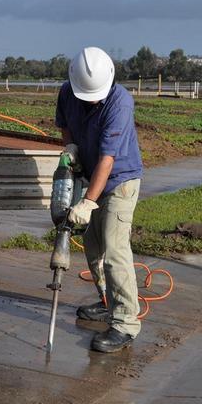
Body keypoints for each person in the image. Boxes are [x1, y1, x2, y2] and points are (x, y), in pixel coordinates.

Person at [55, 46, 144, 353]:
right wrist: (71, 148)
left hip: (120, 180)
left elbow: (108, 160)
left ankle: (125, 323)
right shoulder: (68, 92)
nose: (91, 100)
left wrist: (88, 202)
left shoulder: (119, 102)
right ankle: (109, 302)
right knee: (94, 248)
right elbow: (66, 125)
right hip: (91, 174)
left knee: (115, 248)